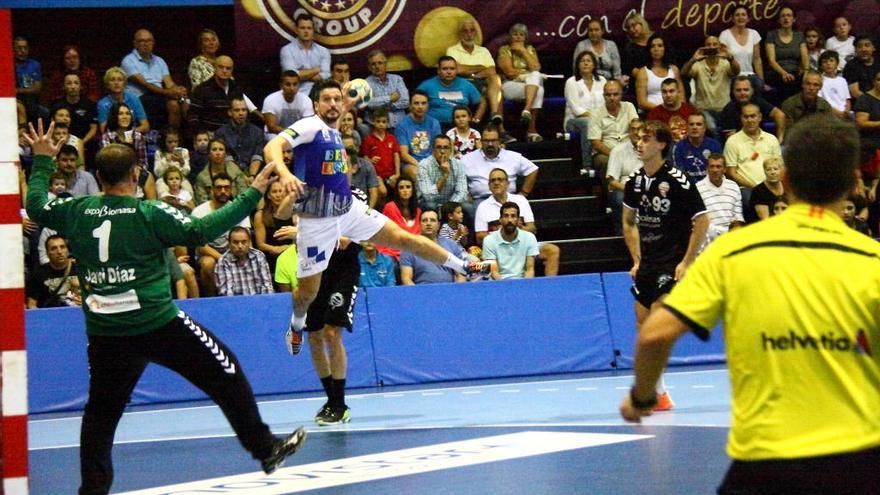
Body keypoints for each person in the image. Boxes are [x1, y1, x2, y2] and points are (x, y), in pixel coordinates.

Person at [24, 121, 306, 494]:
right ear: (137, 174)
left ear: (97, 176)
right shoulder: (149, 213)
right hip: (158, 324)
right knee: (226, 371)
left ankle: (92, 491)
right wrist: (252, 193)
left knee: (100, 415)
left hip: (106, 333)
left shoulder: (77, 210)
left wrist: (42, 161)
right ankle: (264, 447)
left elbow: (37, 205)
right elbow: (200, 232)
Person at [619, 114, 880, 495]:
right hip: (861, 462)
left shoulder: (736, 251)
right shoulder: (872, 261)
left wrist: (642, 396)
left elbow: (654, 334)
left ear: (785, 180)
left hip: (766, 464)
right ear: (852, 184)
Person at [262, 80, 490, 360]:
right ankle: (296, 325)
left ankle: (466, 266)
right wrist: (285, 174)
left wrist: (348, 98)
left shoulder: (334, 121)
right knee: (307, 293)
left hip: (348, 210)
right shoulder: (309, 125)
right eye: (327, 100)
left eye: (337, 99)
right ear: (315, 104)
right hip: (316, 222)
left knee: (405, 238)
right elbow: (273, 146)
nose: (334, 104)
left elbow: (344, 103)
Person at [622, 120, 709, 411]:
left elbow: (702, 221)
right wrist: (636, 259)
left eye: (646, 139)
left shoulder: (677, 180)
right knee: (641, 326)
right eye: (638, 138)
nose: (639, 143)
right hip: (647, 264)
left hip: (670, 263)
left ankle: (658, 392)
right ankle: (657, 392)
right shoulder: (634, 181)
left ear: (661, 144)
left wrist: (686, 262)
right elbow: (628, 222)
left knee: (656, 330)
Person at [303, 231, 361, 425]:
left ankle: (340, 404)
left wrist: (302, 233)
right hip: (317, 268)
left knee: (331, 332)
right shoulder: (313, 203)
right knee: (313, 336)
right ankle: (332, 400)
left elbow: (344, 242)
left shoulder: (355, 199)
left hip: (343, 272)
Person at [192, 173, 252, 297]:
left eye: (227, 188)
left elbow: (246, 239)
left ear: (232, 190)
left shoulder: (239, 209)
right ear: (212, 190)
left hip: (235, 251)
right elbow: (200, 245)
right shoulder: (199, 212)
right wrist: (222, 258)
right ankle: (214, 300)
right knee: (208, 264)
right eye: (219, 188)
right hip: (208, 254)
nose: (223, 191)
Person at [121, 29, 187, 128]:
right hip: (139, 97)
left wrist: (178, 90)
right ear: (135, 44)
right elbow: (145, 84)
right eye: (142, 41)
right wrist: (168, 93)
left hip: (158, 95)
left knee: (185, 101)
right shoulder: (128, 60)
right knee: (173, 104)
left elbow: (169, 83)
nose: (146, 44)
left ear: (153, 43)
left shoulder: (159, 60)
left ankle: (185, 136)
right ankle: (172, 136)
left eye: (149, 41)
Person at [446, 19, 504, 126]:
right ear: (460, 34)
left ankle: (494, 114)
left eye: (472, 30)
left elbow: (491, 71)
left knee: (496, 79)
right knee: (493, 92)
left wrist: (472, 73)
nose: (469, 34)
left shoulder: (483, 51)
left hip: (482, 83)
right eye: (465, 31)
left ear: (475, 33)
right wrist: (480, 67)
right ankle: (498, 128)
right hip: (464, 84)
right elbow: (458, 69)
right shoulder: (452, 50)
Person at [461, 125, 538, 202]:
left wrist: (523, 194)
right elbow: (456, 178)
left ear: (499, 141)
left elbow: (533, 169)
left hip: (508, 201)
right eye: (486, 141)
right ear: (481, 141)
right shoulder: (467, 159)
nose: (490, 144)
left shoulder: (513, 157)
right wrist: (466, 195)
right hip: (479, 201)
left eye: (493, 140)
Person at [723, 103, 783, 202]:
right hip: (747, 188)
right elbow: (731, 173)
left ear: (759, 117)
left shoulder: (771, 139)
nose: (750, 120)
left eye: (753, 116)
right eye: (746, 117)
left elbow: (780, 167)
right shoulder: (732, 141)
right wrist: (757, 188)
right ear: (741, 118)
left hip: (773, 185)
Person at [497, 23, 545, 141]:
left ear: (525, 38)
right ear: (510, 37)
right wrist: (526, 74)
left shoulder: (529, 49)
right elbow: (509, 72)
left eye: (521, 35)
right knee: (537, 85)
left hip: (528, 87)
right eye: (515, 34)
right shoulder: (504, 50)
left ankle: (527, 111)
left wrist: (523, 51)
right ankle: (531, 129)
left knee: (538, 84)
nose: (518, 37)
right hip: (510, 85)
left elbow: (536, 68)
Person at [680, 36, 740, 128]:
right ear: (704, 47)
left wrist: (730, 58)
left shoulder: (726, 63)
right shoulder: (698, 65)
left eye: (715, 44)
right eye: (708, 45)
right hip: (703, 110)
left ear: (719, 47)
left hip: (724, 109)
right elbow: (684, 73)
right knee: (712, 128)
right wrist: (692, 60)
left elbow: (736, 71)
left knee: (729, 131)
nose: (712, 47)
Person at [188, 56, 258, 133]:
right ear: (214, 68)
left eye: (228, 68)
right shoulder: (202, 89)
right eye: (221, 67)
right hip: (210, 134)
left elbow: (242, 113)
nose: (224, 71)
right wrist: (201, 134)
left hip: (233, 134)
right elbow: (193, 115)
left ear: (232, 70)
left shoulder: (236, 88)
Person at [401, 210, 472, 285]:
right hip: (421, 292)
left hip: (449, 292)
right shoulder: (409, 248)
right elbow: (406, 279)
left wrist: (455, 292)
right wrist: (418, 295)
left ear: (438, 225)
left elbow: (461, 274)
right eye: (424, 220)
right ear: (419, 225)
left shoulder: (451, 245)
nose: (428, 223)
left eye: (432, 220)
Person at [565, 50, 607, 172]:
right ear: (578, 65)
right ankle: (587, 165)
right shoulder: (571, 82)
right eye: (582, 61)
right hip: (575, 120)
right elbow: (576, 108)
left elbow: (606, 104)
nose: (585, 63)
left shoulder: (602, 81)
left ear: (594, 64)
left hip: (599, 118)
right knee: (588, 124)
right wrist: (596, 118)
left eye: (588, 61)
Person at [588, 80, 639, 174]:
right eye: (608, 95)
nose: (612, 98)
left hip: (628, 149)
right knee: (607, 162)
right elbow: (596, 142)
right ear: (604, 96)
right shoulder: (595, 114)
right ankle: (612, 188)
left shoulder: (629, 107)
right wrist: (615, 155)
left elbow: (636, 128)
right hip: (605, 153)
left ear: (621, 95)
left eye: (615, 94)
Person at [417, 56, 484, 127]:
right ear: (438, 71)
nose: (449, 72)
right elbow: (413, 104)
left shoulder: (466, 85)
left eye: (452, 69)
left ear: (456, 70)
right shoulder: (426, 85)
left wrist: (476, 120)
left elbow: (482, 102)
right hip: (433, 126)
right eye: (445, 69)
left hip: (460, 126)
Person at [696, 154, 744, 247]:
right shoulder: (698, 188)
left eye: (718, 166)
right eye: (712, 166)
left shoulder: (733, 186)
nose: (715, 170)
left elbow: (738, 216)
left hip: (729, 236)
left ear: (724, 169)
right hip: (707, 236)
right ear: (707, 169)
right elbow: (698, 219)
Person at [482, 202, 539, 280]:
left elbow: (529, 269)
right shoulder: (489, 240)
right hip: (499, 284)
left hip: (522, 282)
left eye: (513, 216)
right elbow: (494, 273)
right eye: (506, 216)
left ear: (519, 220)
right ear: (500, 219)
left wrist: (525, 287)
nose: (509, 220)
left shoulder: (529, 238)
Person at [719, 75, 786, 141]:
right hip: (740, 145)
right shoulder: (728, 110)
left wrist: (780, 139)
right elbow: (731, 139)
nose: (742, 93)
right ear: (733, 92)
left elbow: (780, 115)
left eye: (746, 90)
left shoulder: (759, 102)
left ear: (752, 91)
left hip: (761, 141)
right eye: (738, 90)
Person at [764, 7, 809, 105]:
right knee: (789, 82)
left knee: (806, 80)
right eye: (783, 16)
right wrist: (783, 73)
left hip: (795, 71)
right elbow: (771, 60)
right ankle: (787, 112)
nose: (786, 18)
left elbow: (805, 56)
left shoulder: (799, 35)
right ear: (779, 20)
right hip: (776, 72)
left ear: (794, 19)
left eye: (789, 15)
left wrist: (806, 71)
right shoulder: (772, 35)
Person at [607, 119, 644, 234]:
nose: (636, 133)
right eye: (633, 129)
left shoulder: (652, 149)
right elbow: (612, 181)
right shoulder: (618, 150)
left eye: (639, 129)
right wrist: (630, 190)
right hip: (624, 189)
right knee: (620, 199)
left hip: (648, 188)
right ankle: (623, 235)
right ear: (628, 132)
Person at [279, 15, 330, 98]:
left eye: (309, 28)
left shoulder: (323, 51)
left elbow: (326, 75)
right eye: (302, 28)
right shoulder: (286, 50)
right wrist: (317, 69)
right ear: (296, 30)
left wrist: (301, 74)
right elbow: (291, 77)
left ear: (313, 31)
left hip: (319, 96)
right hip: (295, 95)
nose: (306, 31)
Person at [215, 227, 274, 296]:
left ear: (249, 242)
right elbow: (227, 293)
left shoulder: (258, 256)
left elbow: (267, 286)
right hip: (236, 304)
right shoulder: (223, 261)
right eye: (235, 242)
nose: (240, 246)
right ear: (229, 244)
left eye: (244, 242)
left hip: (259, 302)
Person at [26, 234, 81, 308]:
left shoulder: (80, 269)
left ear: (67, 250)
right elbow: (32, 304)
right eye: (53, 248)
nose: (59, 252)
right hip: (50, 315)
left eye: (62, 247)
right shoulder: (38, 274)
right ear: (47, 253)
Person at [214, 97, 265, 177]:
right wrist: (241, 177)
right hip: (229, 175)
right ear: (230, 112)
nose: (241, 113)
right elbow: (227, 159)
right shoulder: (221, 133)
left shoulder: (257, 132)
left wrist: (252, 176)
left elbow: (257, 156)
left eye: (244, 110)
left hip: (253, 174)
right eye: (237, 110)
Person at [417, 134, 468, 213]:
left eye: (446, 148)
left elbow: (462, 192)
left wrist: (448, 207)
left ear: (451, 150)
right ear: (433, 150)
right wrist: (444, 176)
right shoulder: (424, 165)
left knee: (468, 207)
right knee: (431, 206)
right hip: (430, 204)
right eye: (439, 147)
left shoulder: (459, 165)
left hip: (451, 204)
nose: (442, 151)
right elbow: (428, 197)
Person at [719, 6, 765, 93]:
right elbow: (723, 61)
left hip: (750, 75)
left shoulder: (754, 34)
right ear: (732, 18)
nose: (740, 17)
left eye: (743, 15)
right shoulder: (725, 35)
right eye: (737, 15)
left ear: (748, 18)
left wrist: (762, 81)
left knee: (759, 86)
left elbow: (757, 59)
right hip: (732, 76)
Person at [395, 89, 441, 176]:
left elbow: (437, 149)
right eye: (416, 103)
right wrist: (421, 165)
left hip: (431, 161)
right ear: (410, 106)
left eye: (423, 103)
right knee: (417, 173)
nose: (420, 106)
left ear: (428, 105)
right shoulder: (402, 125)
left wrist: (430, 164)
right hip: (411, 163)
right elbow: (403, 154)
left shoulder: (434, 123)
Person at [635, 33, 684, 113]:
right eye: (652, 46)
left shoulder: (674, 69)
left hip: (674, 112)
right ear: (649, 50)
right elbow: (641, 102)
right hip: (652, 113)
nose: (656, 49)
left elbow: (681, 95)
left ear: (665, 48)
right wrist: (663, 110)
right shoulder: (643, 72)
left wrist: (676, 110)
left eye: (660, 46)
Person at [193, 137, 249, 205]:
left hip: (235, 208)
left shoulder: (235, 170)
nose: (218, 153)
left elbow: (243, 195)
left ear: (225, 153)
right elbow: (202, 202)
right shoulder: (201, 177)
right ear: (209, 154)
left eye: (221, 149)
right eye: (214, 150)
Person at [364, 50, 410, 130]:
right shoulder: (366, 83)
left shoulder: (397, 79)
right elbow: (370, 104)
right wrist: (390, 98)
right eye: (373, 64)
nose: (377, 66)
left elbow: (406, 102)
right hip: (378, 128)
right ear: (369, 67)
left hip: (400, 126)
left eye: (380, 63)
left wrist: (384, 106)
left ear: (385, 64)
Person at [262, 70, 314, 141]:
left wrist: (296, 135)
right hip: (276, 134)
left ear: (299, 85)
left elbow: (308, 125)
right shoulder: (270, 99)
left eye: (295, 84)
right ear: (281, 85)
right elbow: (272, 127)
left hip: (298, 134)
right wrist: (291, 134)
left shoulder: (306, 100)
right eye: (288, 84)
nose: (292, 88)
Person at [672, 113, 722, 184]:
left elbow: (718, 171)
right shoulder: (679, 147)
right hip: (689, 188)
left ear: (704, 128)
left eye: (698, 124)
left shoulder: (714, 145)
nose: (694, 127)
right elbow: (680, 174)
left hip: (711, 185)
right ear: (687, 127)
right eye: (691, 124)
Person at [49, 73, 98, 147]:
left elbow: (93, 129)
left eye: (76, 83)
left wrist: (81, 143)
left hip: (84, 142)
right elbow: (52, 126)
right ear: (63, 87)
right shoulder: (56, 105)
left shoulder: (89, 104)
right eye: (69, 83)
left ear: (81, 86)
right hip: (60, 141)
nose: (73, 86)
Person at [360, 107, 399, 198]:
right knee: (383, 191)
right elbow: (365, 157)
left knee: (398, 190)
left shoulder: (391, 138)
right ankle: (380, 210)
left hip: (391, 174)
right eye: (378, 121)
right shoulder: (368, 139)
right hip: (376, 174)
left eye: (384, 122)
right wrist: (370, 160)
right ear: (373, 122)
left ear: (387, 123)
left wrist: (397, 174)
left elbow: (396, 155)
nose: (381, 124)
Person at [96, 67, 149, 134]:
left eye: (120, 80)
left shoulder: (134, 99)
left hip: (133, 136)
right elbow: (103, 130)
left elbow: (146, 126)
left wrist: (127, 134)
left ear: (125, 84)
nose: (116, 83)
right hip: (113, 139)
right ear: (107, 85)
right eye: (112, 80)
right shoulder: (102, 104)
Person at [99, 103, 148, 171]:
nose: (125, 116)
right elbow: (107, 163)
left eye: (128, 113)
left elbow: (143, 163)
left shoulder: (138, 137)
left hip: (134, 174)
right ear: (114, 116)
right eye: (121, 114)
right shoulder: (106, 138)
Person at [153, 126, 193, 197]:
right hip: (164, 180)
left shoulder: (184, 152)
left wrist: (181, 162)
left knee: (189, 192)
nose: (173, 144)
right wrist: (165, 160)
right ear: (164, 142)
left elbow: (186, 172)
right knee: (163, 194)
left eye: (175, 141)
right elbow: (157, 173)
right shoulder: (159, 153)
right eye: (170, 142)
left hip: (181, 179)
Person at [747, 156, 786, 223]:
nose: (772, 172)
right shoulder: (758, 191)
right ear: (764, 171)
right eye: (768, 169)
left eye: (775, 169)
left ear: (781, 171)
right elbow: (765, 220)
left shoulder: (788, 187)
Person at [14, 35, 42, 124]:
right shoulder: (8, 64)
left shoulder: (35, 65)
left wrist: (18, 90)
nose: (22, 51)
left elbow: (37, 89)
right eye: (19, 48)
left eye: (25, 48)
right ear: (13, 49)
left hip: (31, 101)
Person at [844, 34, 880, 101]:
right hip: (862, 104)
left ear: (873, 48)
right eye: (859, 46)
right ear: (855, 49)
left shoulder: (878, 62)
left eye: (867, 45)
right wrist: (875, 102)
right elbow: (855, 92)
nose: (863, 49)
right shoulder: (851, 66)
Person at [818, 50, 852, 119]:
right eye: (825, 62)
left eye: (831, 61)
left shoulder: (842, 80)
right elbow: (821, 102)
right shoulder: (819, 80)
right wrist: (839, 113)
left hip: (845, 114)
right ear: (821, 65)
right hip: (828, 114)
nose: (828, 64)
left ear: (837, 63)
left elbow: (847, 100)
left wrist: (846, 111)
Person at [854, 70, 880, 153]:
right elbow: (860, 123)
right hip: (871, 143)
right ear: (873, 82)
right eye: (879, 79)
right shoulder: (865, 99)